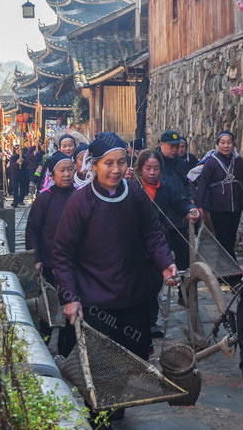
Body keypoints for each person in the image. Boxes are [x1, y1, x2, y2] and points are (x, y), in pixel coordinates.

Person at [53, 132, 178, 374]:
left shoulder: (135, 194)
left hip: (133, 295)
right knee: (101, 367)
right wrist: (69, 297)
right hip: (95, 301)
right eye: (108, 163)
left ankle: (117, 409)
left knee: (131, 362)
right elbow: (63, 252)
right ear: (95, 164)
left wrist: (165, 264)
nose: (115, 170)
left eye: (121, 162)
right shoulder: (81, 202)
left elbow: (152, 233)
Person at [132, 149, 201, 337]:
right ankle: (135, 322)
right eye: (148, 168)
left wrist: (191, 210)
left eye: (155, 168)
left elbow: (181, 202)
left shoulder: (166, 189)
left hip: (156, 244)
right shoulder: (131, 188)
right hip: (132, 244)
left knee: (155, 283)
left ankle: (151, 321)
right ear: (140, 170)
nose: (152, 172)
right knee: (136, 284)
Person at [26, 150, 77, 355]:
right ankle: (45, 346)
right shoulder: (45, 199)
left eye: (70, 169)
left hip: (74, 264)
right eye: (62, 170)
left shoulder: (80, 196)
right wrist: (37, 258)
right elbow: (33, 229)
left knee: (71, 305)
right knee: (47, 306)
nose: (66, 174)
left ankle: (68, 351)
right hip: (49, 262)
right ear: (52, 174)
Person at [194, 131, 243, 262]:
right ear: (217, 145)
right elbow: (202, 186)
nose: (226, 145)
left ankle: (222, 273)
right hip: (217, 208)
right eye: (222, 142)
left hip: (235, 208)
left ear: (233, 144)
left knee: (229, 240)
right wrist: (197, 207)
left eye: (229, 142)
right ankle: (234, 274)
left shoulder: (239, 162)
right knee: (224, 241)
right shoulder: (211, 163)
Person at [155, 130, 195, 270]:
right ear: (161, 145)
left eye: (176, 146)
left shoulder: (180, 162)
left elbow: (186, 182)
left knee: (184, 254)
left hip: (182, 216)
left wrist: (191, 199)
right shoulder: (156, 163)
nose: (174, 150)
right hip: (165, 217)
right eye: (171, 146)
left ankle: (183, 289)